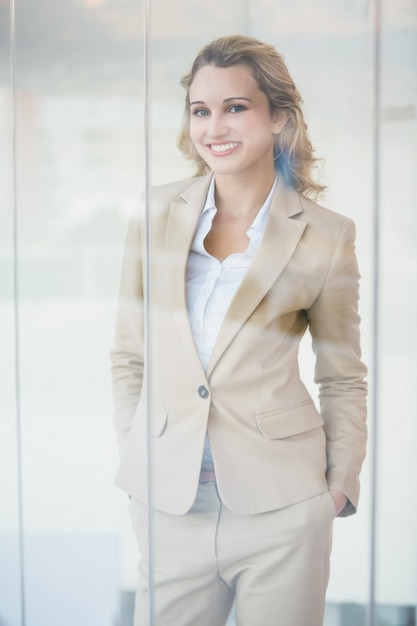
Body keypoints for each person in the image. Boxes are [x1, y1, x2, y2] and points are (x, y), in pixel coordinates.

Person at [111, 34, 367, 626]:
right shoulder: (152, 214)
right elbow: (128, 356)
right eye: (201, 110)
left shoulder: (326, 234)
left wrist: (335, 490)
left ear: (278, 116)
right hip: (172, 508)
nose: (214, 126)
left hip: (282, 508)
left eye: (235, 106)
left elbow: (343, 376)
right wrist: (139, 456)